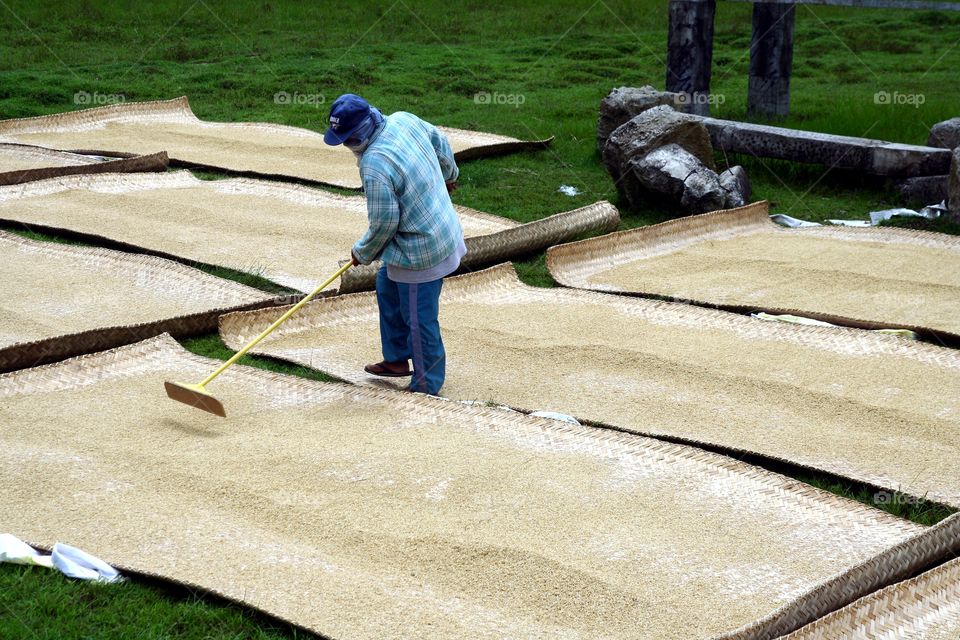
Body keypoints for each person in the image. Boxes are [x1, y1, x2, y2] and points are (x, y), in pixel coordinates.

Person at [323, 93, 465, 396]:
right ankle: (398, 359)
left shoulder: (374, 164)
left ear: (360, 133)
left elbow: (385, 222)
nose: (349, 146)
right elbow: (439, 140)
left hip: (421, 253)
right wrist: (449, 173)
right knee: (386, 285)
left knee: (419, 318)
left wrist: (362, 252)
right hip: (439, 230)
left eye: (349, 139)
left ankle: (427, 385)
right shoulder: (403, 119)